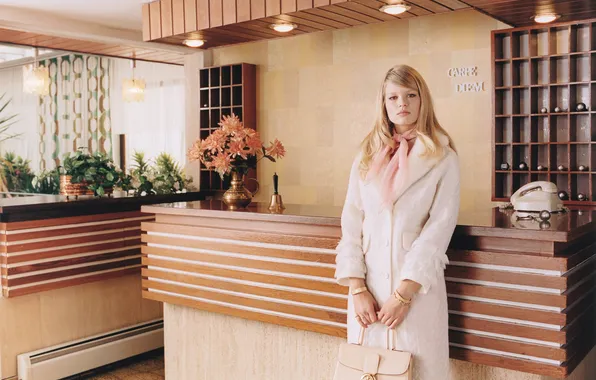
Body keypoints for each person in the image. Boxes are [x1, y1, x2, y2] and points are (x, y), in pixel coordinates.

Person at [335, 64, 460, 380]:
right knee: (368, 371)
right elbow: (351, 220)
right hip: (368, 293)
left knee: (418, 372)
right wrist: (356, 287)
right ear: (384, 104)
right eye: (393, 97)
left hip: (416, 290)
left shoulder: (443, 156)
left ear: (422, 100)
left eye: (410, 95)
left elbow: (439, 229)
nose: (401, 103)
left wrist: (404, 295)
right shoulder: (367, 153)